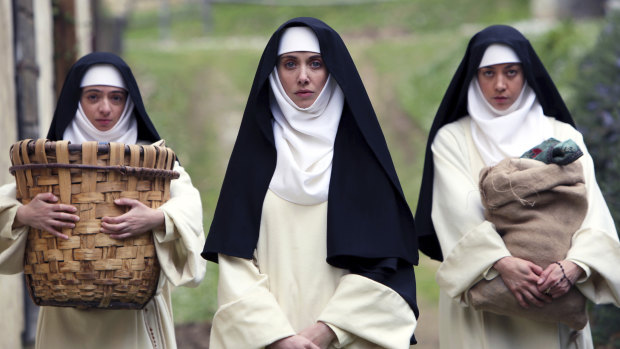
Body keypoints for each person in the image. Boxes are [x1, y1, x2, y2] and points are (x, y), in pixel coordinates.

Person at [202, 17, 418, 348]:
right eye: (290, 64)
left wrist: (326, 330)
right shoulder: (252, 159)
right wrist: (278, 337)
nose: (303, 76)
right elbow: (236, 264)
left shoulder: (362, 158)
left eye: (315, 63)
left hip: (344, 338)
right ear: (274, 73)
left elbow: (385, 266)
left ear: (331, 69)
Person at [415, 25, 620, 348]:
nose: (500, 84)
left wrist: (574, 266)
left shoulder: (563, 136)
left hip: (556, 296)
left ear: (526, 74)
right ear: (473, 76)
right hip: (484, 307)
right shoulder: (452, 139)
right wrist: (500, 263)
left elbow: (591, 210)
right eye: (488, 73)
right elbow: (457, 212)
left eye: (511, 72)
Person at [0, 52, 206, 349]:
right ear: (76, 100)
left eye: (116, 98)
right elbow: (7, 204)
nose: (105, 108)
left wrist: (156, 218)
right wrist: (24, 215)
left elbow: (190, 205)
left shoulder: (154, 160)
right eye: (93, 97)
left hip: (132, 317)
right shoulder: (46, 163)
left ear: (129, 102)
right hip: (64, 319)